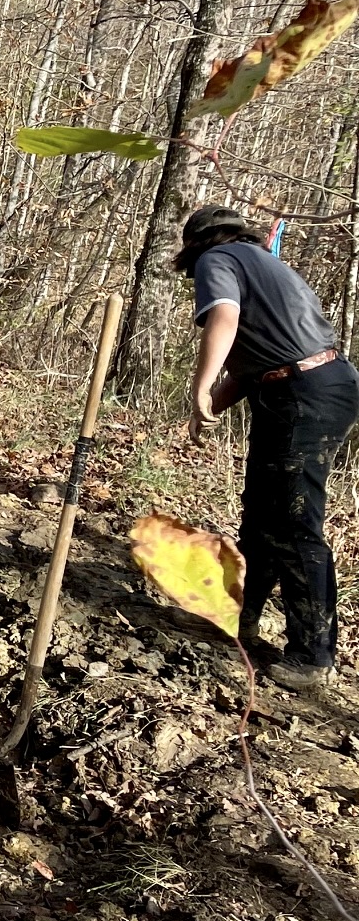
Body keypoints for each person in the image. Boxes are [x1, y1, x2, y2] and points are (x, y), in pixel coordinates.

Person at [178, 205, 359, 691]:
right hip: (310, 385)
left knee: (295, 523)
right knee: (262, 513)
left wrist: (200, 385)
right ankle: (239, 618)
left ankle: (313, 656)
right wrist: (211, 404)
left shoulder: (218, 259)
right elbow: (259, 362)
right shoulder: (267, 265)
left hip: (304, 393)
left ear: (198, 245)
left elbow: (225, 316)